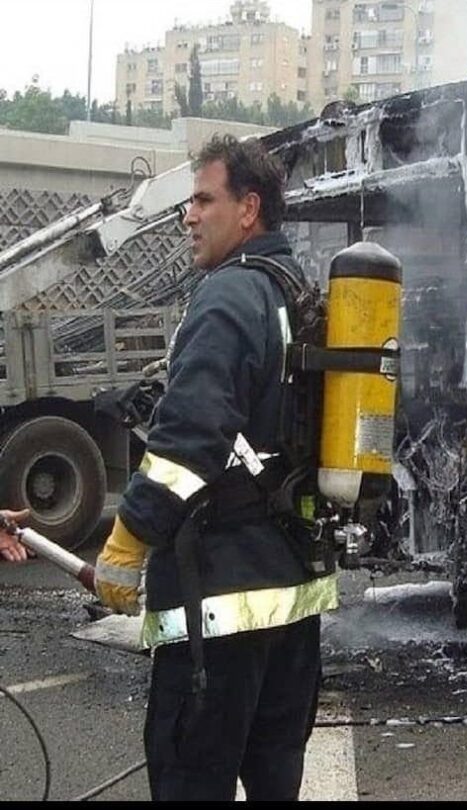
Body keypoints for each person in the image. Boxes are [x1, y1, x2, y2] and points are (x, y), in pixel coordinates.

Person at [92, 134, 339, 801]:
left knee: (190, 780)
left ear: (248, 208)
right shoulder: (297, 294)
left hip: (218, 609)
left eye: (204, 200)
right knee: (275, 778)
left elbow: (189, 440)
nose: (188, 216)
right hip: (295, 598)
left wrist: (129, 538)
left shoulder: (228, 297)